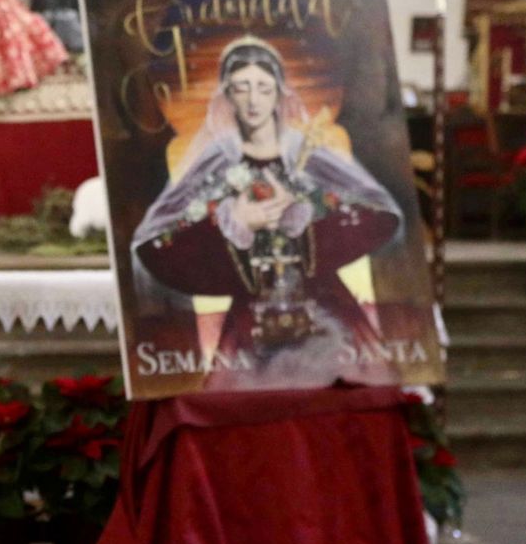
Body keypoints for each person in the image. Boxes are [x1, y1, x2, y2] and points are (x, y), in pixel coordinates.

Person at [130, 35, 405, 391]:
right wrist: (235, 220)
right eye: (241, 88)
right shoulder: (218, 161)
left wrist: (305, 213)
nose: (253, 99)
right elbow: (163, 236)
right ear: (227, 96)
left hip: (323, 310)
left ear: (279, 93)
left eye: (263, 87)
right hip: (253, 315)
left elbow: (377, 212)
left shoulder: (307, 153)